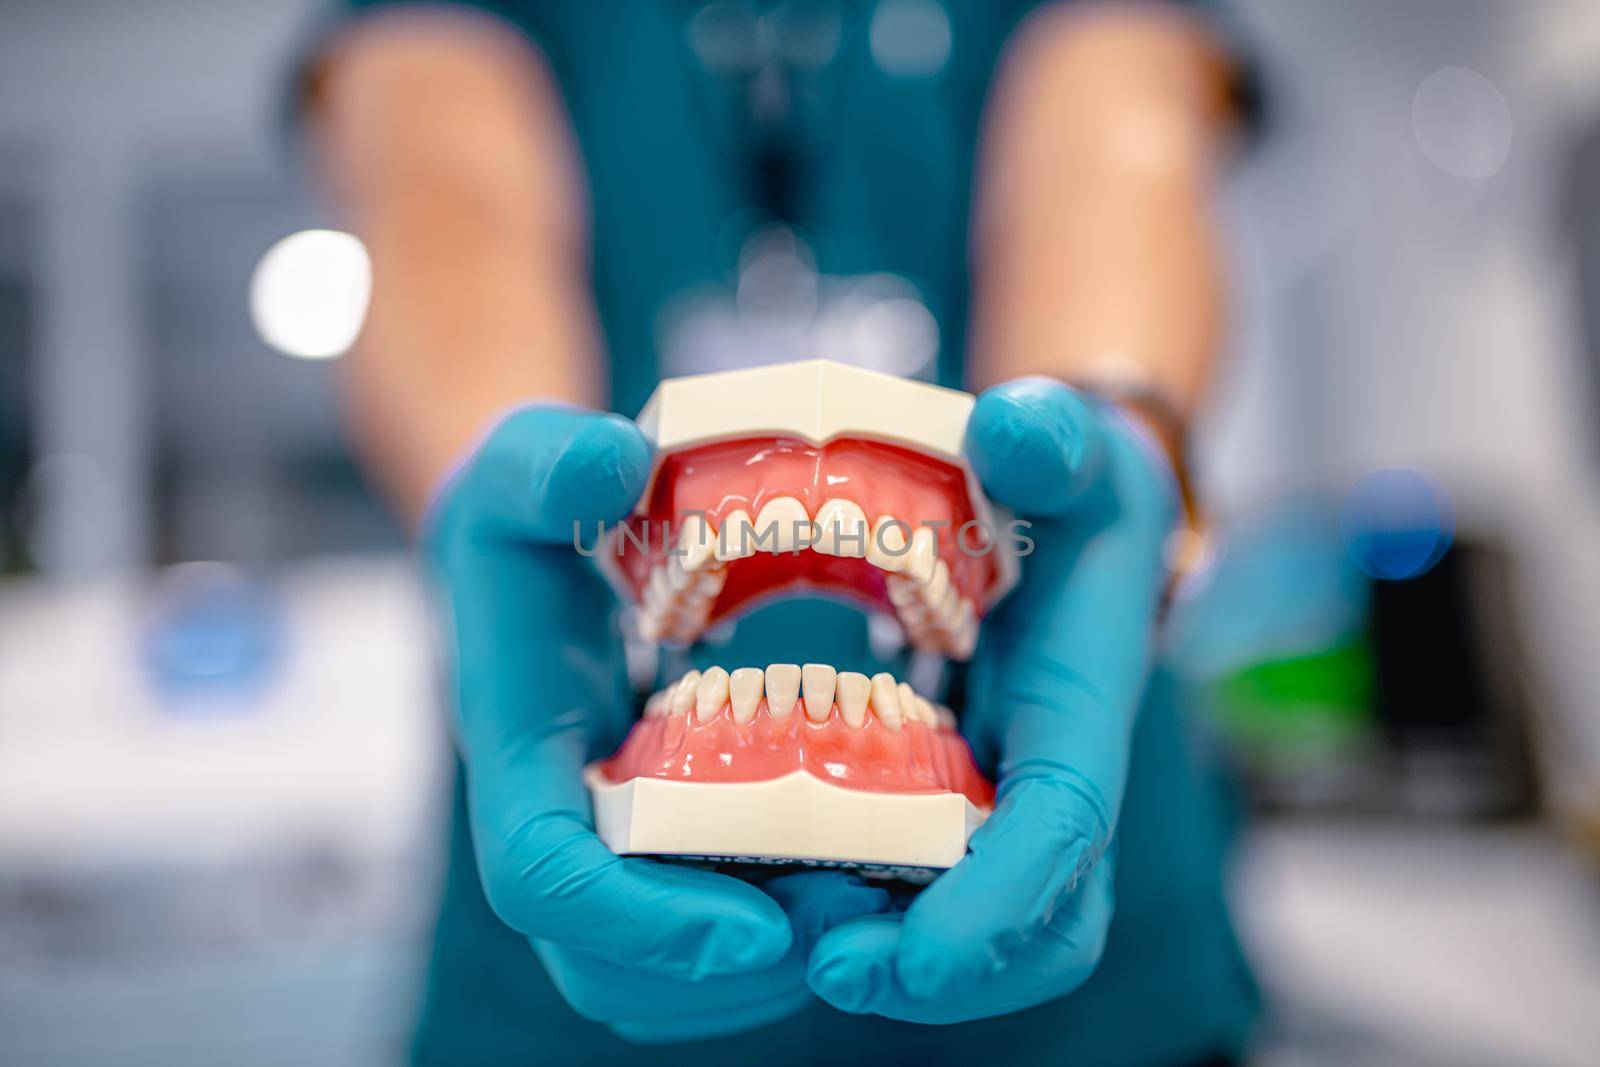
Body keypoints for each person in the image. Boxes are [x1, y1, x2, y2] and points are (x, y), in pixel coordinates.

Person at [297, 1, 1257, 1062]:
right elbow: (442, 198)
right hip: (556, 1002)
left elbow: (1120, 151)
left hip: (1094, 1004)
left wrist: (1106, 420)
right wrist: (492, 468)